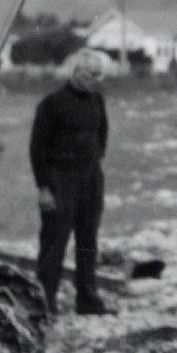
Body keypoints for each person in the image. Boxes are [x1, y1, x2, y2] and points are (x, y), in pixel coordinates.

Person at [30, 51, 110, 316]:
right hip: (60, 179)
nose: (97, 80)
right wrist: (44, 188)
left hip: (90, 177)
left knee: (88, 240)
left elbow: (102, 134)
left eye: (100, 75)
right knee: (54, 243)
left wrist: (95, 166)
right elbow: (37, 148)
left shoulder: (97, 99)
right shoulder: (51, 104)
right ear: (75, 73)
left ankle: (88, 301)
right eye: (91, 75)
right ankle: (45, 304)